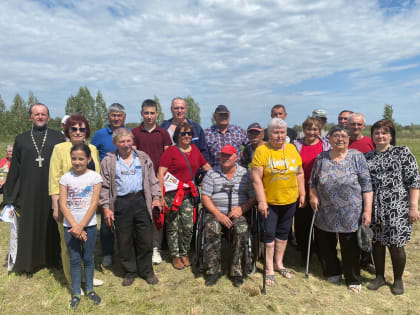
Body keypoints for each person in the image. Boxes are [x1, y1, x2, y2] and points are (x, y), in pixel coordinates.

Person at [309, 125, 373, 293]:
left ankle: (352, 278)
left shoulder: (356, 157)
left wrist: (367, 211)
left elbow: (367, 186)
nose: (340, 139)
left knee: (351, 247)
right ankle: (332, 271)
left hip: (351, 213)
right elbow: (313, 182)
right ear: (329, 139)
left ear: (348, 139)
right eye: (336, 136)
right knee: (325, 244)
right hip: (325, 212)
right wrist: (313, 196)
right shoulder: (321, 158)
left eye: (343, 136)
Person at [3, 103, 63, 272]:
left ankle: (52, 259)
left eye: (43, 114)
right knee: (29, 225)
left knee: (51, 223)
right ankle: (30, 262)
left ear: (49, 117)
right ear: (30, 117)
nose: (40, 116)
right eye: (36, 114)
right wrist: (9, 196)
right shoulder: (21, 139)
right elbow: (14, 167)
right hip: (28, 190)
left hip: (51, 189)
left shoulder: (57, 136)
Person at [100, 128, 162, 286]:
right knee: (124, 239)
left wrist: (156, 198)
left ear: (132, 141)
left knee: (145, 239)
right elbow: (105, 187)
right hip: (121, 203)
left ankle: (147, 271)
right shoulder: (108, 161)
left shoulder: (143, 157)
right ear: (115, 143)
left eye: (128, 141)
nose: (126, 144)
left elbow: (152, 180)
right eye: (122, 141)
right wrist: (106, 208)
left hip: (141, 200)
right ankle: (130, 271)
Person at [365, 119, 420, 295]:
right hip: (374, 207)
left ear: (391, 136)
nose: (380, 136)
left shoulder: (402, 153)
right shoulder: (367, 157)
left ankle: (397, 279)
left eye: (384, 133)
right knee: (377, 243)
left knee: (396, 245)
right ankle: (379, 276)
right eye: (377, 133)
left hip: (397, 207)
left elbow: (414, 181)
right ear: (372, 136)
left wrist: (413, 207)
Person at [49, 114, 102, 288]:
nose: (78, 132)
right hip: (67, 206)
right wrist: (56, 205)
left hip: (88, 206)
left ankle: (87, 276)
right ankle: (74, 280)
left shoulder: (92, 149)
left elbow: (97, 176)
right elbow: (54, 178)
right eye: (74, 129)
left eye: (82, 129)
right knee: (68, 244)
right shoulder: (59, 149)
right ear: (67, 130)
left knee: (87, 244)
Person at [251, 118, 305, 286]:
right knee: (269, 235)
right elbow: (256, 179)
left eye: (282, 132)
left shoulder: (291, 149)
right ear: (269, 133)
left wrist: (302, 193)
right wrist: (261, 201)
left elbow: (300, 173)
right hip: (270, 202)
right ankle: (268, 269)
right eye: (275, 132)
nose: (279, 136)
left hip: (290, 200)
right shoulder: (262, 151)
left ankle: (279, 263)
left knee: (283, 233)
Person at [158, 122, 211, 270]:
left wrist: (216, 177)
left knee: (188, 226)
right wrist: (160, 196)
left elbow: (207, 168)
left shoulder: (195, 150)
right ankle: (175, 255)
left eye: (189, 133)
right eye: (183, 133)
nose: (187, 136)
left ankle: (184, 252)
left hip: (188, 194)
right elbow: (161, 173)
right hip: (172, 194)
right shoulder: (171, 151)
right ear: (177, 136)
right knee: (173, 226)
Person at [201, 145, 256, 287]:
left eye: (229, 155)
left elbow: (253, 197)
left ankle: (236, 271)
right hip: (216, 212)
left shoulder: (246, 174)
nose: (225, 158)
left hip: (238, 213)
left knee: (242, 229)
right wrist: (218, 215)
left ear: (236, 156)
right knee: (212, 227)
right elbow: (205, 197)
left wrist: (242, 209)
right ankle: (213, 270)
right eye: (223, 155)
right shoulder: (212, 173)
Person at [59, 143, 102, 309]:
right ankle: (76, 292)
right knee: (75, 259)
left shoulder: (95, 177)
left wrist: (82, 226)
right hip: (69, 225)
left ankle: (90, 289)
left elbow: (94, 203)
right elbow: (63, 204)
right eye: (74, 159)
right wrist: (75, 226)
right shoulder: (66, 178)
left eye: (81, 159)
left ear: (88, 159)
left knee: (89, 258)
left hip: (89, 225)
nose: (77, 162)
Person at [132, 99, 172, 265]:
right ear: (141, 113)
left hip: (158, 179)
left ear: (157, 114)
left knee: (157, 213)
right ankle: (142, 247)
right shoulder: (134, 132)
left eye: (152, 113)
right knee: (141, 215)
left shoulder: (163, 133)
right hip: (139, 179)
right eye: (146, 113)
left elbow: (168, 157)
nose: (149, 116)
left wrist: (159, 178)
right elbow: (132, 156)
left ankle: (156, 248)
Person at [91, 103, 126, 267]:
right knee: (107, 221)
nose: (116, 118)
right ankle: (107, 252)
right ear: (108, 117)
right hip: (107, 183)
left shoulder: (129, 133)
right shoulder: (99, 135)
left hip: (126, 182)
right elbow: (90, 154)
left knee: (126, 220)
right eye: (113, 115)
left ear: (123, 117)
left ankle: (126, 250)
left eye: (119, 115)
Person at [293, 117, 330, 265]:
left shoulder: (326, 145)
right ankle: (305, 252)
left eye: (315, 129)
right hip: (300, 188)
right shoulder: (296, 145)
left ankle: (322, 252)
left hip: (321, 190)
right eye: (309, 129)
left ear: (319, 130)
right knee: (302, 222)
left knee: (320, 223)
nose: (312, 132)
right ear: (304, 130)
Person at [347, 112, 375, 273]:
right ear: (348, 126)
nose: (356, 127)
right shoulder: (344, 142)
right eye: (353, 124)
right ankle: (352, 257)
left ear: (363, 126)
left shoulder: (370, 142)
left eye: (359, 124)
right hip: (350, 192)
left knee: (365, 225)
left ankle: (366, 259)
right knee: (351, 228)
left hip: (367, 190)